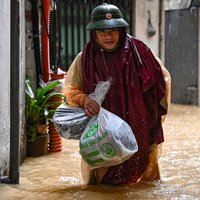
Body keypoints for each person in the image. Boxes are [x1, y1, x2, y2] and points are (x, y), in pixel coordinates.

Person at [62, 3, 171, 185]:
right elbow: (70, 89)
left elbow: (162, 82)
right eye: (102, 31)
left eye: (113, 30)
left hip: (139, 129)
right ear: (94, 33)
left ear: (120, 30)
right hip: (103, 134)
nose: (108, 35)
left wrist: (153, 120)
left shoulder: (140, 53)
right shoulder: (85, 59)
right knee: (102, 183)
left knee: (145, 182)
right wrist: (84, 99)